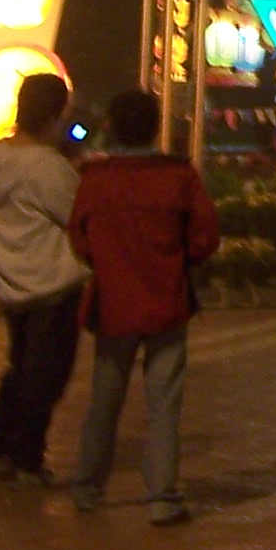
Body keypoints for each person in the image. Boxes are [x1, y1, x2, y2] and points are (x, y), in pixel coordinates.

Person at [67, 88, 221, 525]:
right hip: (166, 300)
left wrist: (107, 262)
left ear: (113, 126)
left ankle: (88, 487)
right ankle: (161, 497)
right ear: (155, 127)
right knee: (164, 402)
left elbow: (79, 237)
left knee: (105, 398)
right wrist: (179, 260)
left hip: (113, 304)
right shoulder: (178, 176)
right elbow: (206, 236)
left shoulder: (97, 179)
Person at [0, 73, 87, 484]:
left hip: (13, 285)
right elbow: (80, 219)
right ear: (54, 116)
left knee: (19, 371)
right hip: (54, 287)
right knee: (45, 378)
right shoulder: (47, 168)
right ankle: (26, 459)